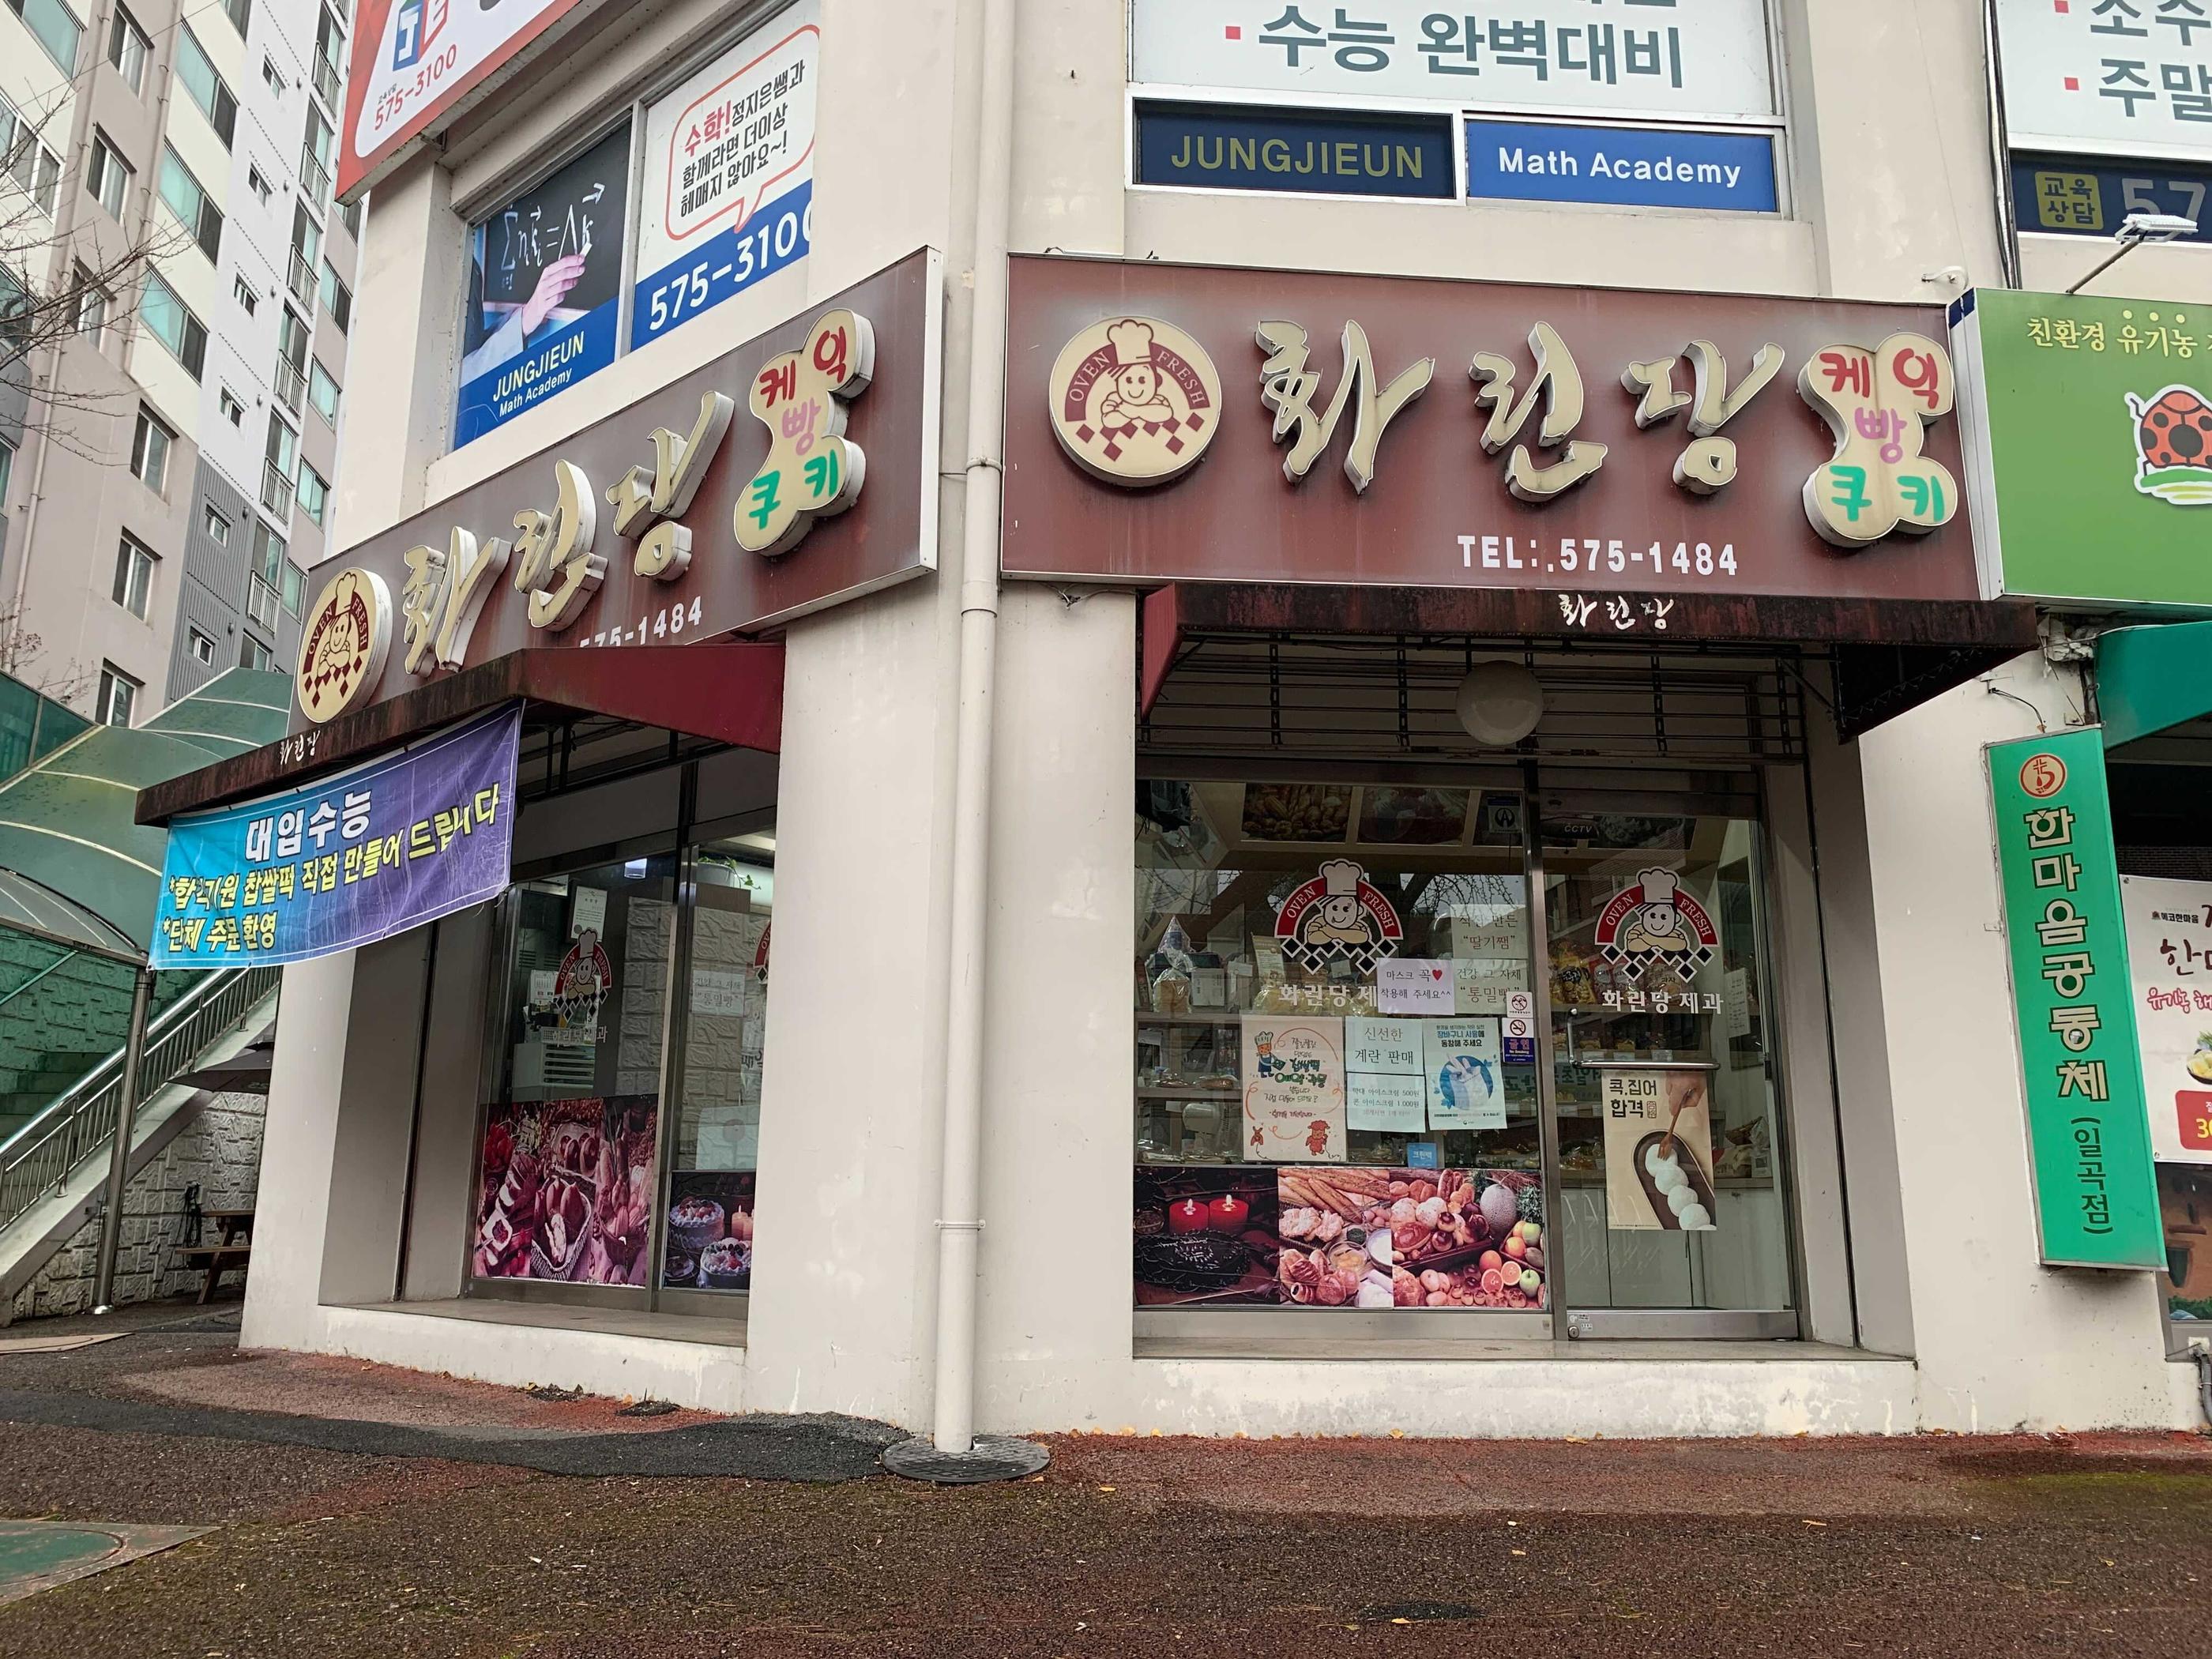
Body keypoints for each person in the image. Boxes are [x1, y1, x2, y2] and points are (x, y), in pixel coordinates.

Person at [459, 249, 591, 386]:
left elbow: (470, 348)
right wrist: (522, 322)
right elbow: (453, 382)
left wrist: (518, 319)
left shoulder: (466, 256)